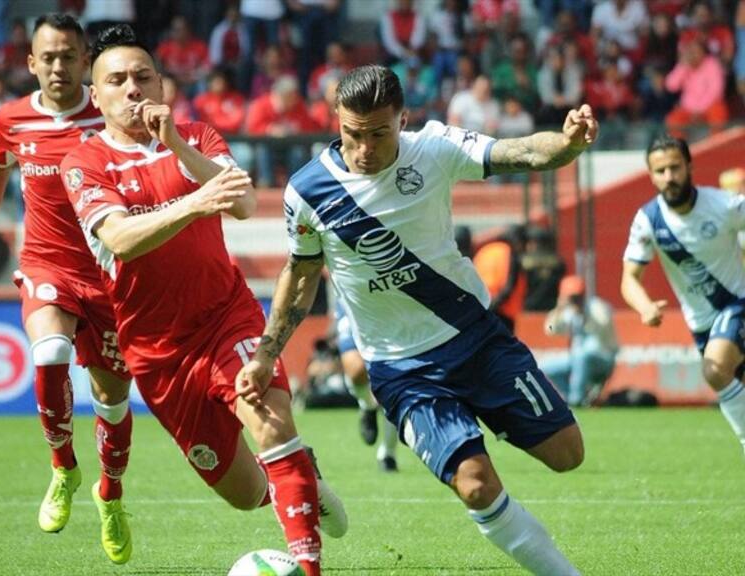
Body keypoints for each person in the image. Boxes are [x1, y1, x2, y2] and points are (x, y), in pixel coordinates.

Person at [237, 64, 597, 575]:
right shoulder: (308, 191)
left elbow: (518, 152)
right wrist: (264, 357)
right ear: (336, 122)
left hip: (476, 338)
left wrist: (567, 145)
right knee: (476, 483)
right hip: (402, 369)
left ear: (402, 120)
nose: (365, 149)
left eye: (379, 134)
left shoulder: (434, 148)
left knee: (567, 453)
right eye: (352, 134)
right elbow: (300, 275)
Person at [60, 25, 346, 576]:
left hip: (224, 315)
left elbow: (240, 204)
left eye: (143, 76)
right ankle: (301, 479)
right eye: (116, 80)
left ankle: (309, 565)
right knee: (241, 491)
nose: (132, 88)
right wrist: (194, 206)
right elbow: (120, 237)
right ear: (95, 95)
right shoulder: (85, 163)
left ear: (162, 84)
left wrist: (176, 146)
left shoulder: (196, 135)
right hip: (158, 348)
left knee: (268, 417)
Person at [0, 14, 134, 564]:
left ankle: (110, 496)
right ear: (31, 62)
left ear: (85, 60)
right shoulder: (11, 120)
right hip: (47, 266)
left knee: (113, 403)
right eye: (48, 57)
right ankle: (63, 466)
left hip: (111, 277)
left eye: (69, 56)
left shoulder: (112, 112)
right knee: (49, 352)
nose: (59, 67)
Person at [622, 134, 745, 455]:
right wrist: (645, 306)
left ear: (689, 166)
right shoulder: (647, 220)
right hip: (701, 325)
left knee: (714, 369)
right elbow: (629, 279)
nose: (669, 177)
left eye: (675, 168)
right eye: (660, 171)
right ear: (650, 175)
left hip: (736, 304)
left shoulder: (724, 205)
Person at [335, 299, 399, 472]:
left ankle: (387, 453)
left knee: (391, 379)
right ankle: (367, 404)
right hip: (352, 298)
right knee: (355, 369)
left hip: (388, 301)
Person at [540, 275, 619, 406]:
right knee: (545, 367)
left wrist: (583, 312)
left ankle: (577, 400)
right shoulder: (568, 312)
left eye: (577, 297)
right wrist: (559, 309)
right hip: (578, 360)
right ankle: (570, 397)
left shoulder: (596, 306)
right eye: (571, 297)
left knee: (581, 355)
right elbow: (550, 329)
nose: (575, 300)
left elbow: (604, 323)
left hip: (602, 358)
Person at [473, 225, 528, 333]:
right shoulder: (510, 253)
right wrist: (493, 306)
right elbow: (510, 285)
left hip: (480, 306)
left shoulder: (485, 250)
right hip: (501, 310)